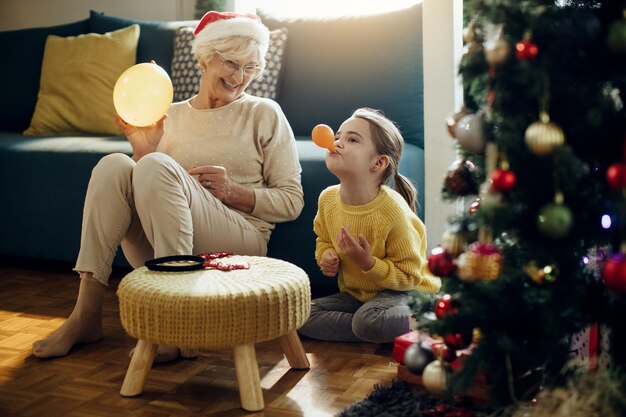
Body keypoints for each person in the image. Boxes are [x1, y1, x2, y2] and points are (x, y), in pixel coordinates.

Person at [32, 11, 304, 361]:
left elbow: (292, 201)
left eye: (251, 68)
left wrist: (233, 191)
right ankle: (86, 314)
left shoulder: (264, 113)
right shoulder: (167, 114)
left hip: (239, 243)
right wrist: (142, 147)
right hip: (162, 248)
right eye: (233, 63)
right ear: (206, 58)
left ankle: (172, 319)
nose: (241, 77)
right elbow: (150, 183)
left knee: (156, 164)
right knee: (114, 164)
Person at [298, 108, 441, 344]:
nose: (338, 143)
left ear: (379, 162)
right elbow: (323, 239)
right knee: (300, 315)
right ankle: (375, 330)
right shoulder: (327, 199)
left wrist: (368, 263)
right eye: (338, 137)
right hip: (360, 297)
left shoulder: (392, 210)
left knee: (370, 321)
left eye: (352, 139)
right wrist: (327, 256)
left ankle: (424, 317)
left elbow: (409, 277)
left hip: (406, 293)